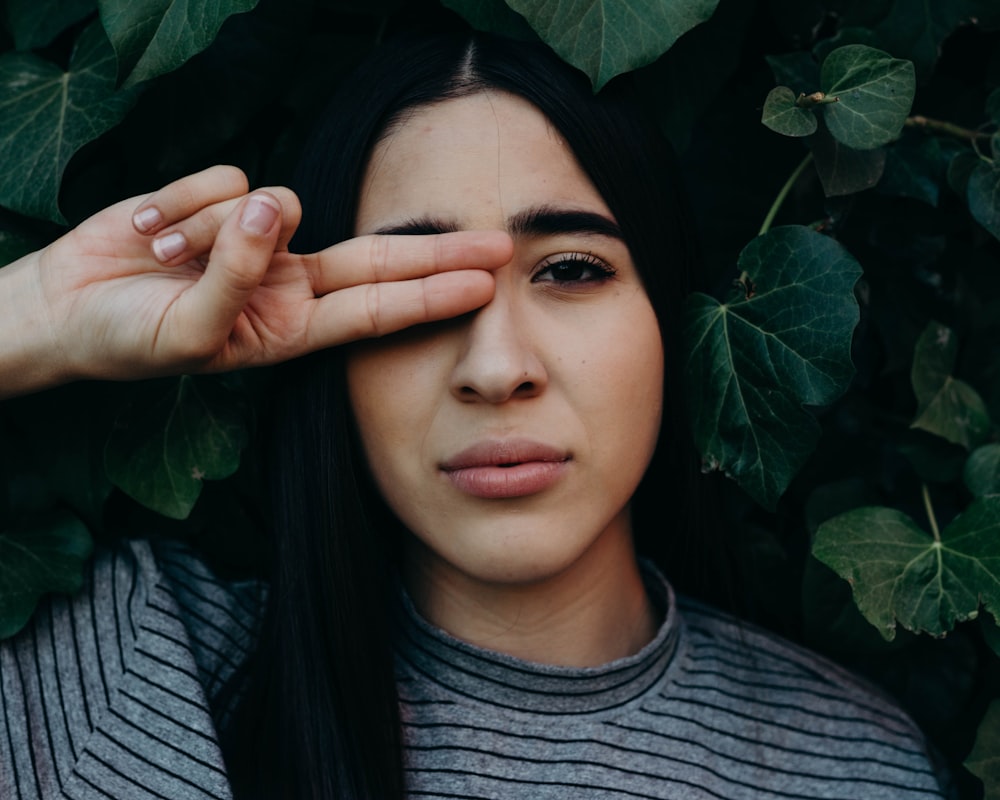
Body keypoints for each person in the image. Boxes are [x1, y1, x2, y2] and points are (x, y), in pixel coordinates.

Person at [0, 29, 946, 800]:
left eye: (572, 269)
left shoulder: (853, 767)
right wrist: (34, 319)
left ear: (670, 316)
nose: (497, 370)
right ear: (324, 340)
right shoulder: (123, 672)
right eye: (419, 290)